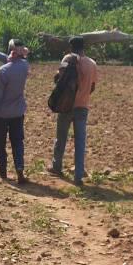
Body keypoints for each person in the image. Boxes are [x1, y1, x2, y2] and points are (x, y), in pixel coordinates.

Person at [49, 36, 97, 186]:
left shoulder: (67, 59)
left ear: (71, 47)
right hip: (82, 106)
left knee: (61, 137)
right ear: (84, 47)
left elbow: (59, 80)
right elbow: (92, 87)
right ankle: (78, 175)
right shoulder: (92, 63)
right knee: (80, 142)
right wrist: (82, 95)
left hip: (66, 106)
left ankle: (57, 167)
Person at [0, 39, 29, 184]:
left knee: (0, 144)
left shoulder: (3, 71)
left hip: (2, 114)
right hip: (18, 112)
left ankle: (3, 171)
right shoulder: (25, 66)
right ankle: (19, 168)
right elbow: (18, 58)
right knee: (17, 142)